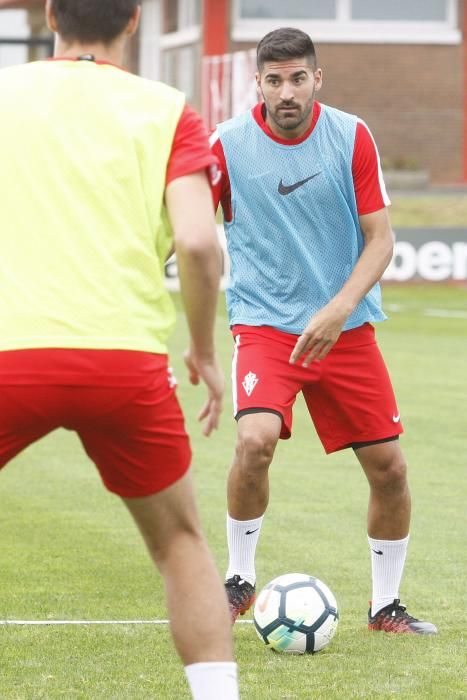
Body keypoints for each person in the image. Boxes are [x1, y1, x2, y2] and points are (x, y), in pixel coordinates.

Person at [0, 1, 240, 698]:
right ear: (133, 21)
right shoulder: (167, 109)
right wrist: (201, 350)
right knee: (180, 545)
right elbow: (198, 242)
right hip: (124, 364)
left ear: (49, 14)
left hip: (10, 356)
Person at [210, 27, 437, 635]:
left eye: (299, 78)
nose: (288, 91)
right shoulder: (227, 145)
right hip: (264, 323)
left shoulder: (351, 135)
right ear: (257, 83)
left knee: (389, 468)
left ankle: (385, 606)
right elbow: (182, 222)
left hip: (346, 327)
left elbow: (380, 238)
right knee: (254, 441)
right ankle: (238, 578)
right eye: (275, 80)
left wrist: (339, 307)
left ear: (318, 78)